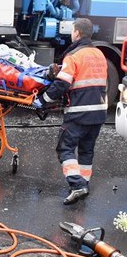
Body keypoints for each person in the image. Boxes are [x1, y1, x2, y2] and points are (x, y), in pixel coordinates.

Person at [34, 18, 107, 205]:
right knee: (86, 150)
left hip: (79, 113)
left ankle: (76, 185)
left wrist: (42, 101)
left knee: (65, 148)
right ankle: (84, 184)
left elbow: (62, 84)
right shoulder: (99, 54)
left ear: (77, 33)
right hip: (99, 112)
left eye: (72, 30)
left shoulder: (74, 56)